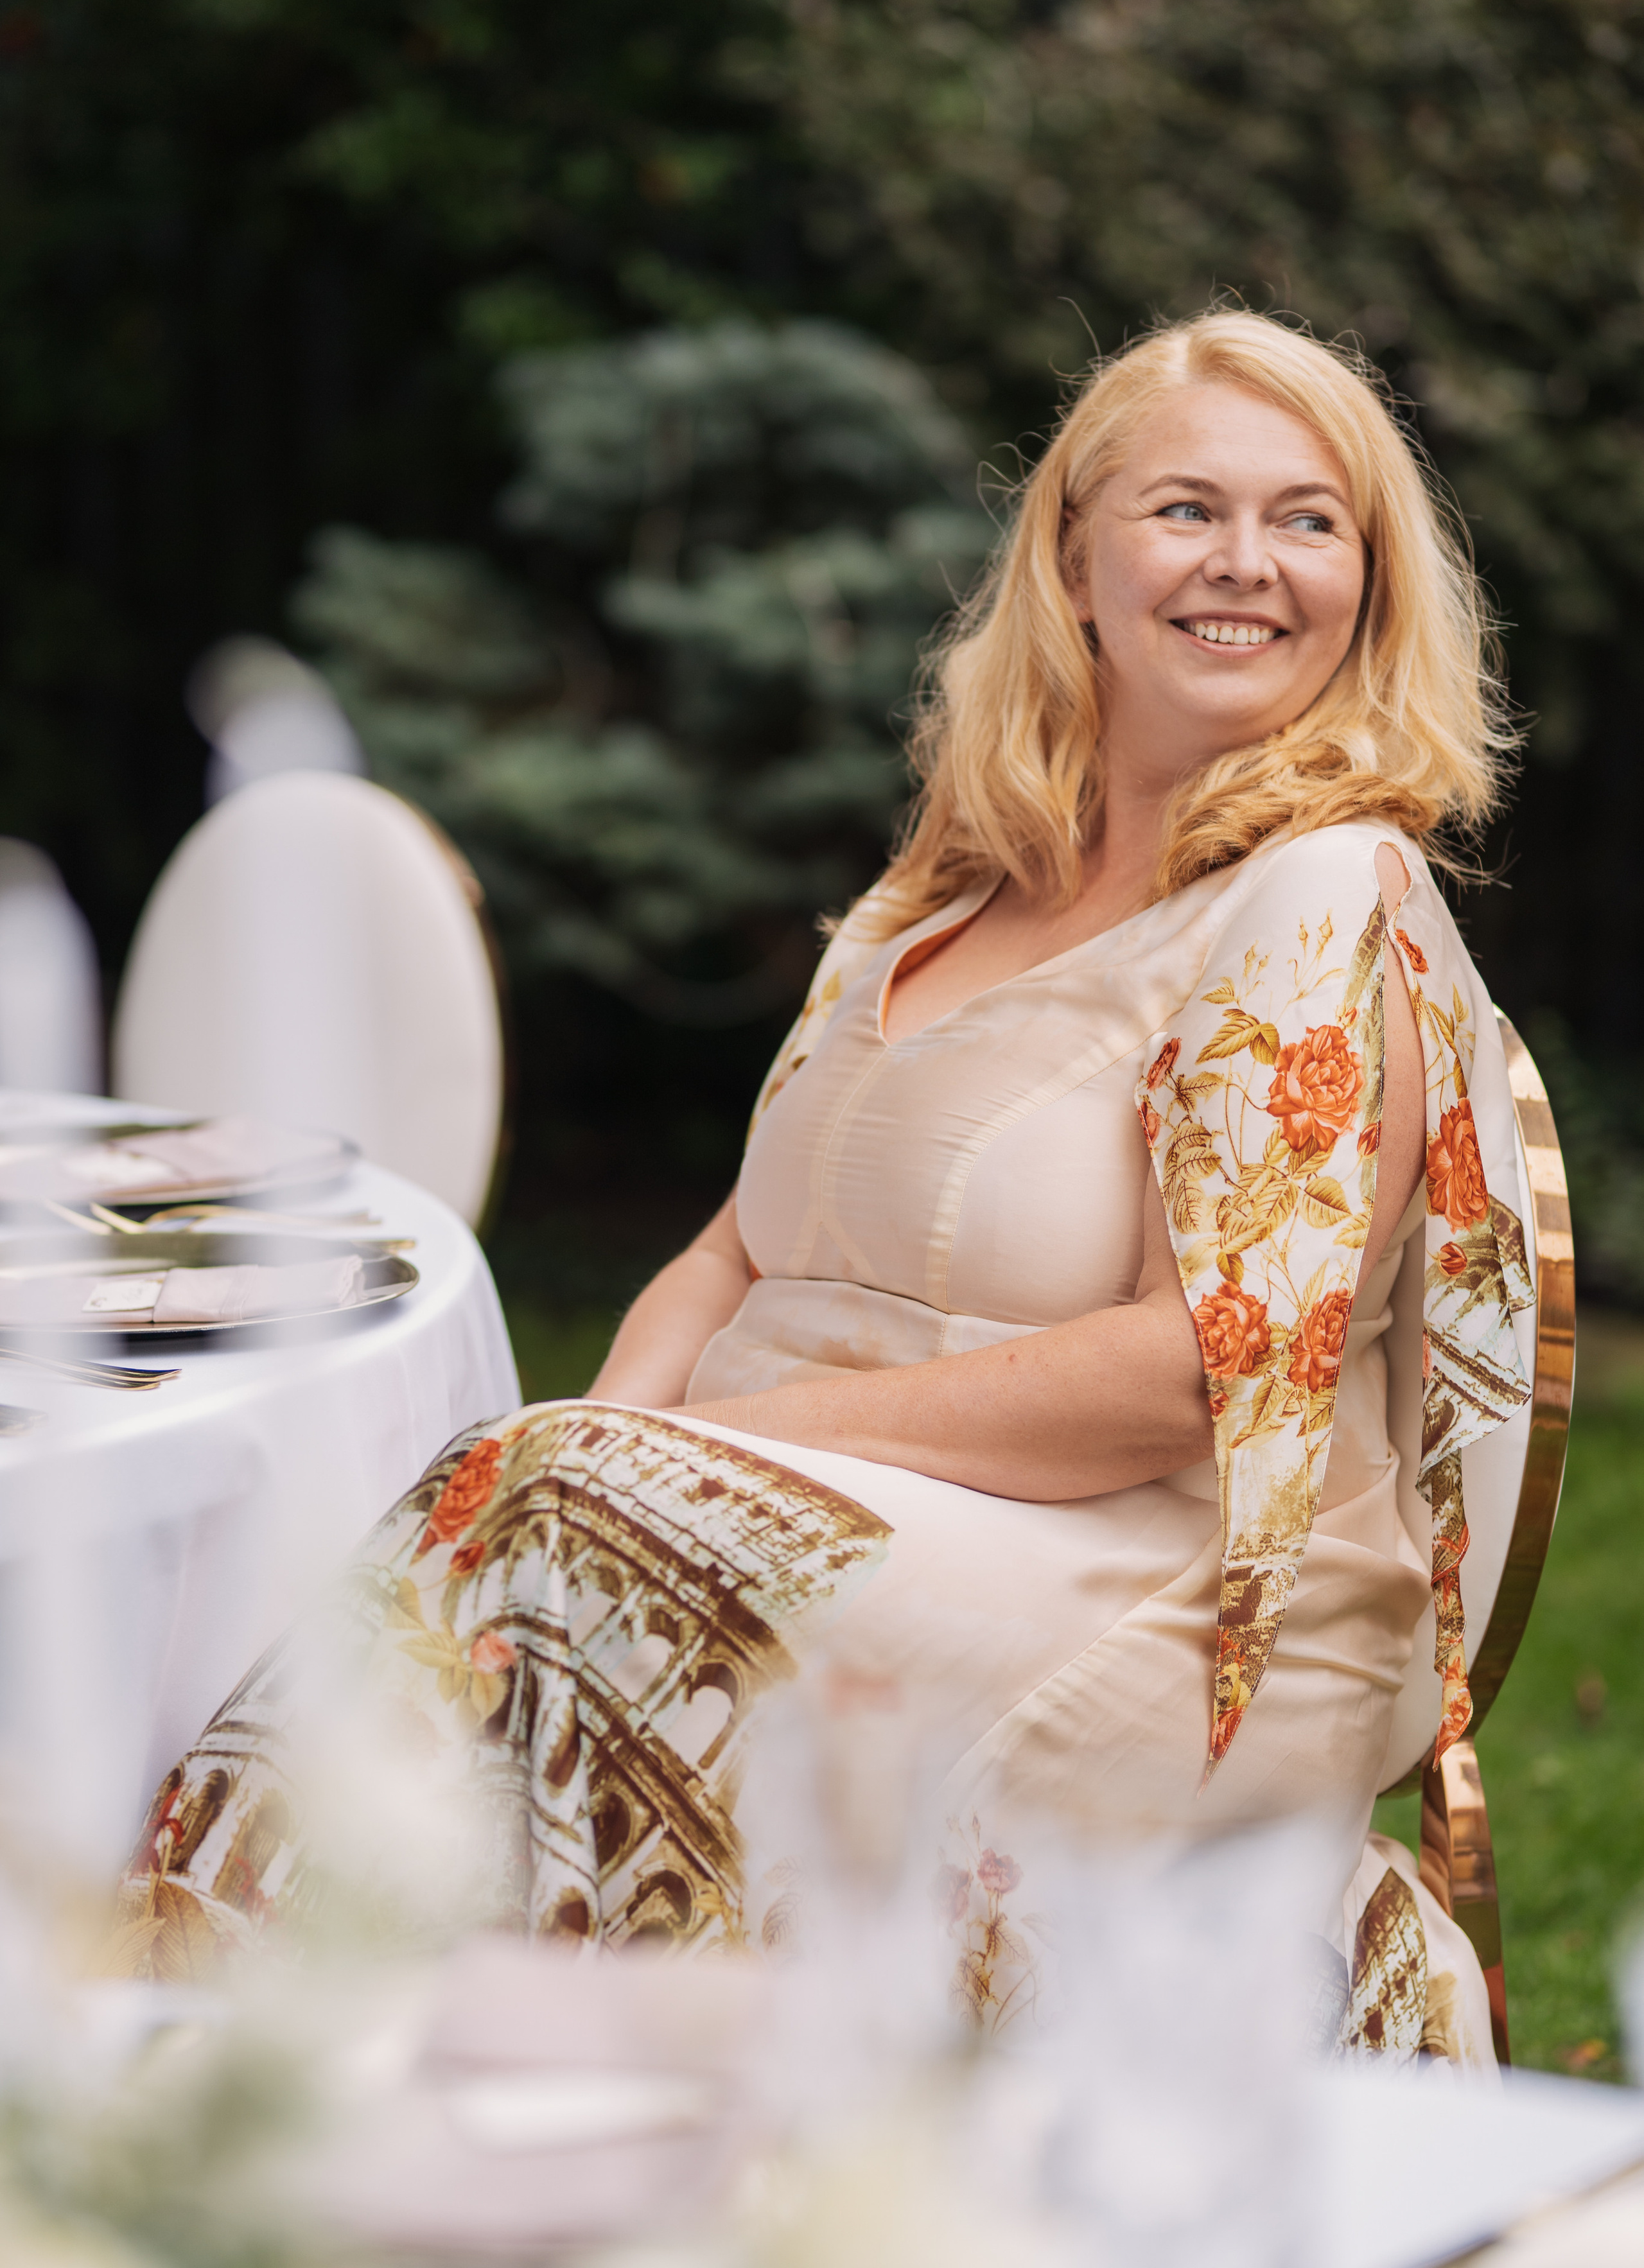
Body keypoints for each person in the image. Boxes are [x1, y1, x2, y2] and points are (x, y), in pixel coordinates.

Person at [116, 312, 1530, 2066]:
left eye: (1312, 521)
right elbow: (732, 1245)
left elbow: (1199, 1378)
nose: (1249, 564)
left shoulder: (1322, 892)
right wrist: (610, 1443)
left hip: (1163, 1601)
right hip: (839, 1518)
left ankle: (196, 2061)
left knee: (549, 1524)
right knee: (531, 1509)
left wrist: (733, 1452)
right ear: (1077, 559)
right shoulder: (953, 881)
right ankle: (299, 2079)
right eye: (1188, 508)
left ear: (1369, 586)